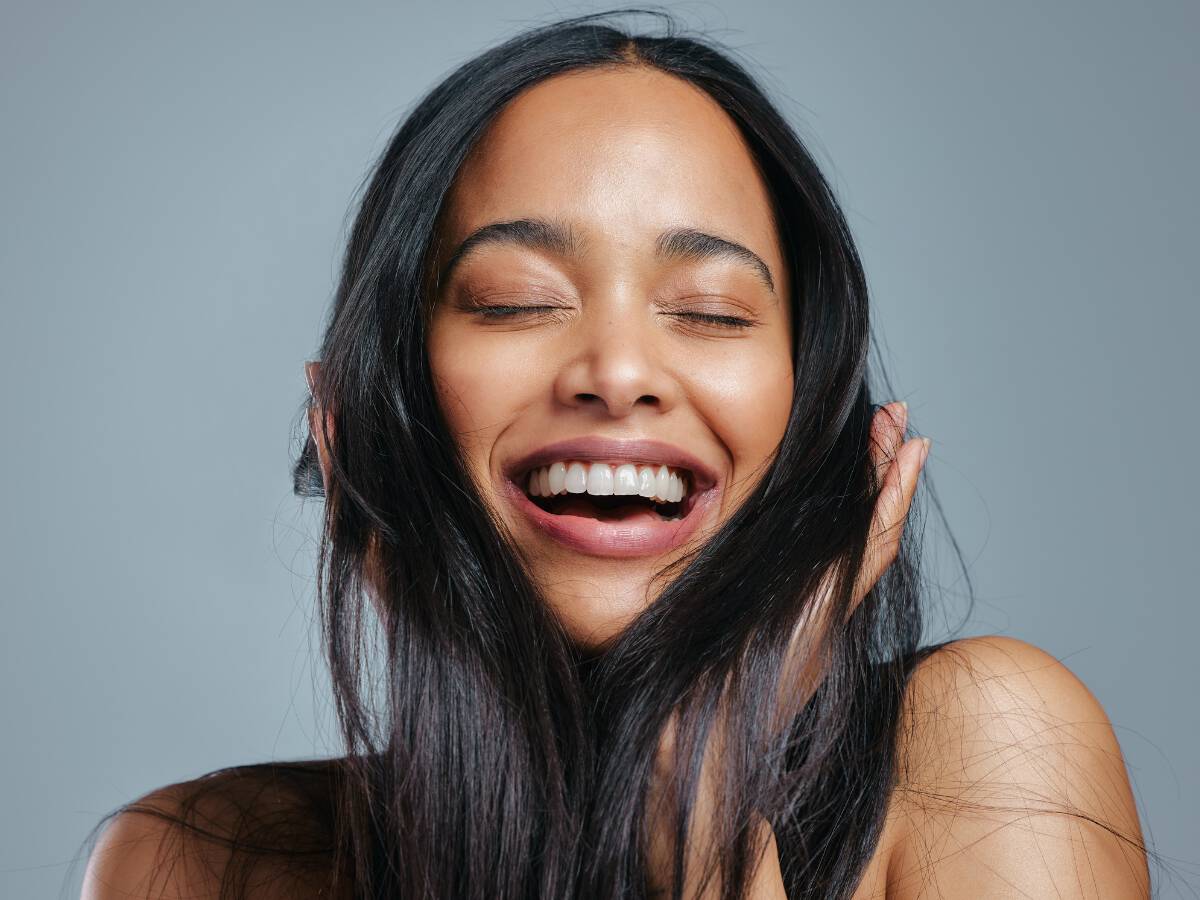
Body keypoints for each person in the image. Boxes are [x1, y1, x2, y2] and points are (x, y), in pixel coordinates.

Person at [80, 10, 1149, 899]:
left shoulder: (988, 757)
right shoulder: (193, 862)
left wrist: (702, 826)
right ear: (386, 398)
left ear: (810, 410)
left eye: (712, 311)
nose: (618, 368)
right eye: (516, 299)